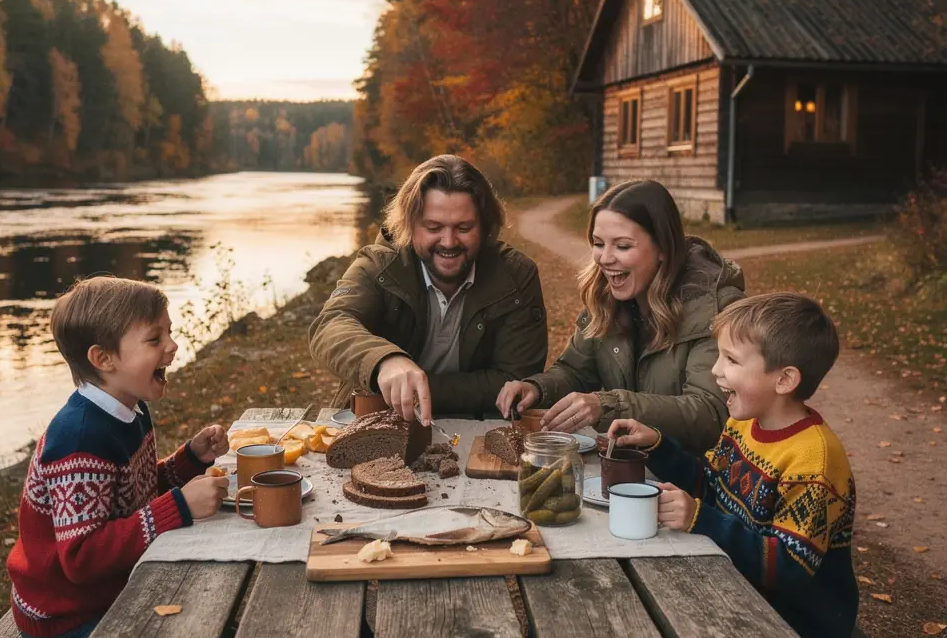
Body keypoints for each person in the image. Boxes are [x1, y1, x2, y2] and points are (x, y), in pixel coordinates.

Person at [608, 292, 858, 638]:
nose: (716, 371)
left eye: (732, 360)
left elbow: (788, 569)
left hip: (798, 630)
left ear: (785, 379)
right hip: (740, 590)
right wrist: (657, 445)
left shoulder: (813, 460)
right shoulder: (745, 426)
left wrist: (701, 519)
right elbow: (709, 486)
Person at [7, 276, 230, 638]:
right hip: (65, 623)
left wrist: (189, 461)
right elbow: (81, 557)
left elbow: (131, 495)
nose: (172, 347)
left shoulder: (129, 407)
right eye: (154, 339)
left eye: (170, 333)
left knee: (212, 621)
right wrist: (179, 506)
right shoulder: (79, 440)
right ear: (104, 359)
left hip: (105, 595)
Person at [497, 179, 744, 451]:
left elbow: (709, 412)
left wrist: (609, 405)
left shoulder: (717, 309)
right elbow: (576, 371)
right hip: (623, 464)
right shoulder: (606, 297)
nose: (605, 258)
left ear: (663, 248)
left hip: (691, 480)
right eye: (598, 243)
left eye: (623, 246)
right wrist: (538, 388)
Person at [309, 154, 548, 422]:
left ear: (485, 227)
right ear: (410, 225)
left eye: (464, 227)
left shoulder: (516, 276)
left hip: (480, 430)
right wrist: (384, 361)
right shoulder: (379, 265)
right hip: (377, 421)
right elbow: (331, 324)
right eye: (433, 227)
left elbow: (515, 379)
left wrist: (417, 388)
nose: (448, 242)